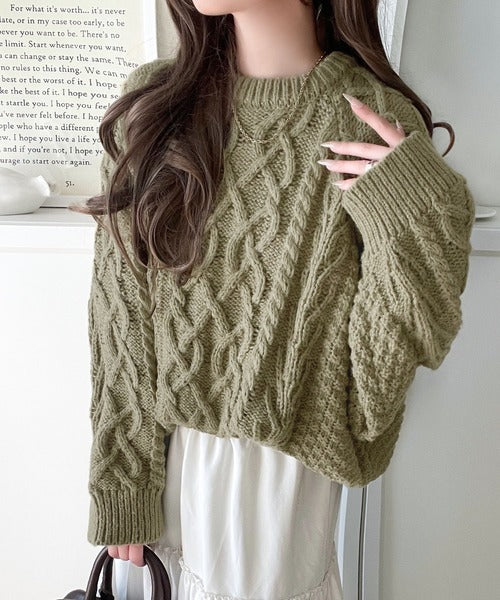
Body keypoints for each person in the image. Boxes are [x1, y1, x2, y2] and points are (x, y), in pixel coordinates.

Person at [70, 0, 475, 598]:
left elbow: (376, 384)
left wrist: (419, 212)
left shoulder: (371, 120)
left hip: (274, 502)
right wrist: (121, 482)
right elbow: (119, 317)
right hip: (157, 480)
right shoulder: (153, 106)